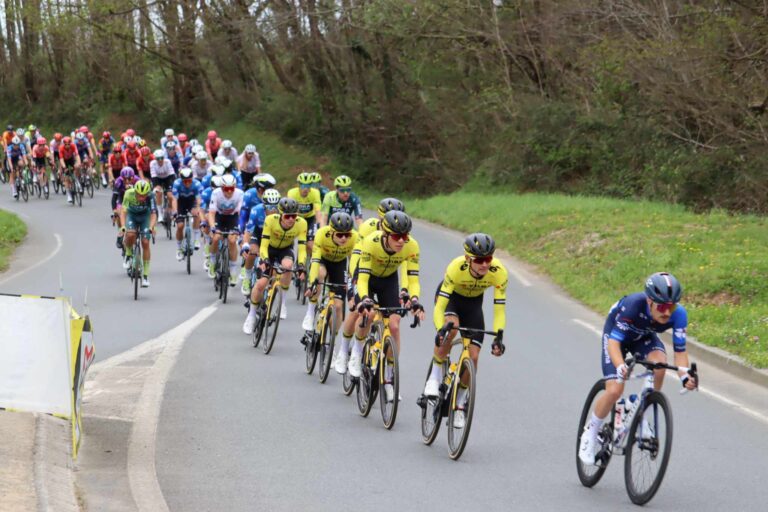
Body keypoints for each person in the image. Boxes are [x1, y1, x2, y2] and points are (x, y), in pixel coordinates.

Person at [578, 272, 698, 465]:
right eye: (662, 306)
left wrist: (685, 376)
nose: (667, 312)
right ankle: (590, 433)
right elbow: (614, 343)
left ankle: (641, 406)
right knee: (615, 389)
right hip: (617, 338)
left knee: (659, 364)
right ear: (650, 301)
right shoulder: (633, 305)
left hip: (643, 337)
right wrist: (619, 366)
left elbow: (680, 351)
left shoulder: (679, 315)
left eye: (672, 306)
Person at [423, 233, 508, 428]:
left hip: (473, 305)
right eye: (479, 260)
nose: (485, 265)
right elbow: (440, 306)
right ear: (468, 259)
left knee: (474, 357)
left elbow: (499, 308)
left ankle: (460, 402)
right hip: (451, 299)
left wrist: (499, 336)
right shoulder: (456, 267)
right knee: (451, 329)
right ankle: (435, 377)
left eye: (488, 259)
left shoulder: (499, 272)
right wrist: (440, 329)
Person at [344, 212, 425, 399]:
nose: (401, 241)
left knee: (395, 325)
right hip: (367, 279)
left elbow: (413, 279)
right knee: (369, 314)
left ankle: (388, 376)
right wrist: (364, 298)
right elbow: (362, 279)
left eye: (405, 236)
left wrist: (414, 300)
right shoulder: (371, 242)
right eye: (397, 237)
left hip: (388, 280)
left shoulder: (411, 246)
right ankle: (356, 352)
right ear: (385, 234)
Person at [242, 197, 307, 333]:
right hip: (269, 249)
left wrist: (301, 265)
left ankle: (282, 303)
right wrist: (264, 260)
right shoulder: (270, 220)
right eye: (288, 216)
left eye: (294, 216)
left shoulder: (301, 224)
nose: (291, 219)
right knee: (261, 284)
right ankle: (252, 316)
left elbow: (301, 248)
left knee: (288, 266)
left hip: (285, 249)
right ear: (280, 214)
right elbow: (264, 245)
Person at [302, 212, 359, 332]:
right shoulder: (322, 234)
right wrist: (312, 282)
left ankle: (330, 342)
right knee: (320, 274)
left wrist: (352, 280)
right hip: (322, 260)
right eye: (340, 235)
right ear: (332, 231)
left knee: (338, 306)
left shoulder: (354, 237)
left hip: (340, 263)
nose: (344, 238)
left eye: (347, 234)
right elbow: (315, 259)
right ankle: (310, 312)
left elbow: (353, 262)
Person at [241, 189, 281, 295]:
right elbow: (248, 230)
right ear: (264, 206)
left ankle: (269, 296)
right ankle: (247, 277)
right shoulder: (256, 210)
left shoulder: (282, 213)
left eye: (275, 207)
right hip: (258, 234)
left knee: (275, 270)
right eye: (269, 207)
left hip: (273, 237)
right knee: (252, 251)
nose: (272, 210)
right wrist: (245, 244)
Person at [207, 174, 244, 286]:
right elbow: (211, 213)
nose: (229, 192)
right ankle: (212, 261)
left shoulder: (240, 194)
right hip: (219, 216)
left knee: (232, 241)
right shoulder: (216, 193)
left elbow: (240, 214)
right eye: (226, 189)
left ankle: (233, 271)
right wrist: (213, 227)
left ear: (234, 187)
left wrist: (239, 229)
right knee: (217, 237)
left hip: (232, 217)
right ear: (222, 188)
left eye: (231, 189)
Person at [120, 180, 157, 287]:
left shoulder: (151, 196)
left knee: (145, 242)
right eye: (139, 195)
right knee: (130, 234)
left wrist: (151, 227)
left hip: (145, 216)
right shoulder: (128, 193)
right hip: (132, 215)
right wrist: (123, 226)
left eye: (143, 196)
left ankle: (145, 276)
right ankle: (128, 254)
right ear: (135, 192)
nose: (141, 198)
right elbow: (123, 211)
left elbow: (154, 214)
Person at [172, 167, 204, 259]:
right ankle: (178, 249)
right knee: (180, 226)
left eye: (189, 181)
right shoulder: (177, 183)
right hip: (180, 203)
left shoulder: (197, 184)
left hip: (191, 202)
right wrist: (175, 212)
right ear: (181, 180)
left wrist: (198, 209)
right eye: (184, 181)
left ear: (192, 179)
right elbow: (174, 200)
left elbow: (199, 199)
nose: (187, 183)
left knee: (196, 213)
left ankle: (197, 239)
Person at [287, 172, 322, 255]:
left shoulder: (315, 193)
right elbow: (290, 211)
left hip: (310, 218)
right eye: (303, 186)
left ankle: (311, 261)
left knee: (310, 244)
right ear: (298, 185)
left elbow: (318, 211)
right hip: (296, 218)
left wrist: (319, 226)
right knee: (290, 240)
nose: (305, 189)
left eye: (308, 185)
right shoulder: (292, 193)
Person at [113, 167, 137, 249]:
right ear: (121, 178)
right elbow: (114, 197)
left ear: (133, 177)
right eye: (124, 179)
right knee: (119, 213)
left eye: (129, 179)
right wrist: (114, 210)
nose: (127, 181)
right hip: (122, 199)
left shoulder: (137, 180)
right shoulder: (118, 181)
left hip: (134, 200)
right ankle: (121, 232)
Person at [150, 149, 176, 223]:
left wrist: (173, 186)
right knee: (158, 193)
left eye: (162, 158)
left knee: (170, 195)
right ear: (155, 159)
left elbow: (172, 175)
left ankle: (170, 209)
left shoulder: (167, 162)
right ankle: (160, 214)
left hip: (168, 178)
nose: (160, 160)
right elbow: (153, 176)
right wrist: (156, 186)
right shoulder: (152, 163)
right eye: (158, 158)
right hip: (157, 179)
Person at [58, 136, 82, 203]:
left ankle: (77, 181)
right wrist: (64, 167)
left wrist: (79, 163)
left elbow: (77, 155)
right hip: (64, 161)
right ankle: (69, 194)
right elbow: (61, 159)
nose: (67, 146)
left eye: (69, 144)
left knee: (77, 167)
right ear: (64, 144)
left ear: (70, 143)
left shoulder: (73, 145)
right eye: (66, 144)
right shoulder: (61, 148)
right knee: (66, 177)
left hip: (71, 159)